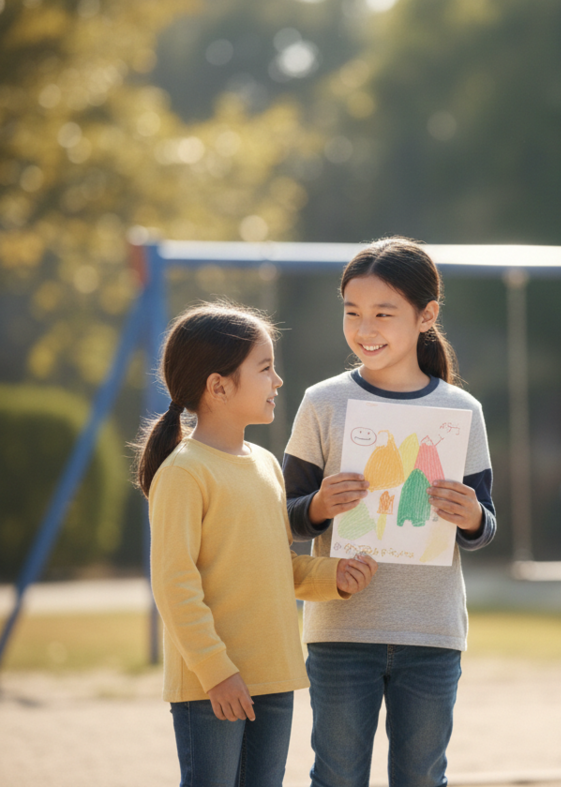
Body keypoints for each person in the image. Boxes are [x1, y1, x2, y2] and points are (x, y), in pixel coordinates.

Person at [283, 237, 497, 787]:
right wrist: (319, 507)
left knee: (423, 778)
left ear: (427, 316)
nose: (365, 329)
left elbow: (483, 525)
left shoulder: (460, 411)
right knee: (336, 776)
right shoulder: (322, 402)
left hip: (431, 632)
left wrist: (471, 515)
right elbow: (284, 515)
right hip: (340, 630)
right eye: (353, 313)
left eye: (384, 313)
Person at [136, 302, 377, 787]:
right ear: (218, 385)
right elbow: (174, 584)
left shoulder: (267, 464)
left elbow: (275, 566)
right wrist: (215, 671)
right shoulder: (184, 473)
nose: (278, 381)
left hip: (274, 675)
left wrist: (335, 577)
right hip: (212, 684)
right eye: (265, 368)